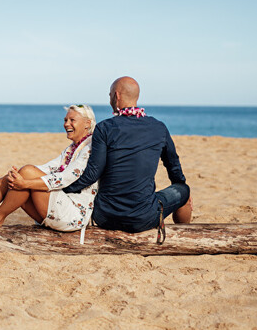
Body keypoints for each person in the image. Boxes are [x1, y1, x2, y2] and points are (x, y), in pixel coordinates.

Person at [63, 77, 192, 239]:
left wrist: (63, 190)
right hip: (143, 218)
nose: (109, 98)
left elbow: (92, 174)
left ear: (116, 96)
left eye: (110, 94)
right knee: (183, 189)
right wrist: (180, 184)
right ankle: (185, 237)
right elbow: (173, 166)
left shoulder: (104, 128)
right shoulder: (158, 127)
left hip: (105, 216)